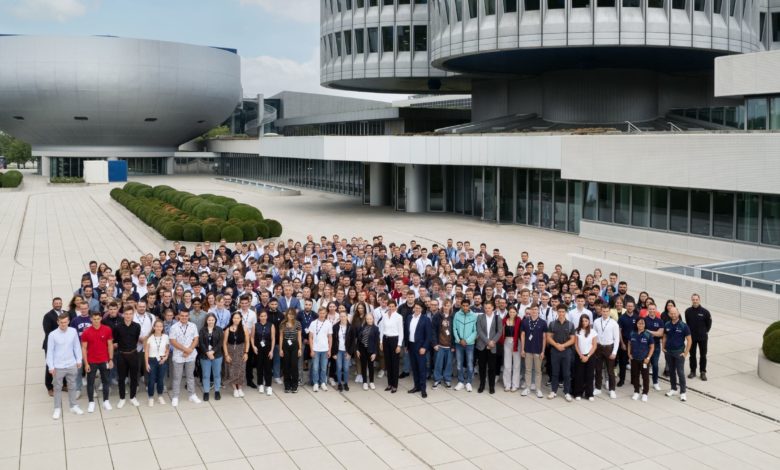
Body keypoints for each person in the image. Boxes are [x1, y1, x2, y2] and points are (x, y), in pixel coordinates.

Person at [46, 312, 84, 419]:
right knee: (57, 388)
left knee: (72, 386)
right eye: (61, 322)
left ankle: (73, 406)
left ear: (68, 322)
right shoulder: (52, 335)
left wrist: (78, 360)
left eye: (65, 322)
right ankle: (57, 408)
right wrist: (51, 366)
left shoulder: (73, 331)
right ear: (58, 322)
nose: (63, 324)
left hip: (71, 364)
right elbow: (50, 352)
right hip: (58, 366)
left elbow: (76, 346)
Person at [80, 310, 114, 413]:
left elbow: (110, 345)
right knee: (90, 382)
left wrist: (111, 359)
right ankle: (91, 402)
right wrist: (85, 364)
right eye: (94, 319)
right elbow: (84, 348)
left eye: (98, 319)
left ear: (101, 319)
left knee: (106, 381)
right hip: (91, 361)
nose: (96, 321)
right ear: (91, 319)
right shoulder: (86, 332)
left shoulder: (107, 329)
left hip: (104, 360)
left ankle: (106, 401)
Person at [169, 310, 201, 407]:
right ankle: (175, 397)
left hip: (190, 355)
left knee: (190, 376)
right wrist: (185, 350)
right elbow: (172, 341)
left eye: (186, 316)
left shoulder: (193, 326)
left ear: (188, 316)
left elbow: (196, 339)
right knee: (177, 377)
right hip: (179, 355)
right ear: (178, 316)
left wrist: (190, 350)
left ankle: (192, 395)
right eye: (182, 316)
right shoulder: (174, 327)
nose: (184, 317)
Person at [113, 306, 141, 408]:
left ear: (133, 315)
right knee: (121, 378)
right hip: (121, 355)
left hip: (133, 354)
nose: (128, 316)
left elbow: (136, 338)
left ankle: (133, 397)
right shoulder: (118, 327)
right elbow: (115, 340)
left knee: (133, 378)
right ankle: (122, 398)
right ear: (123, 314)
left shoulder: (137, 326)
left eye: (130, 314)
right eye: (126, 314)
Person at [42, 297, 72, 396]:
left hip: (64, 345)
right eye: (56, 303)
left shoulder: (66, 314)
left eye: (59, 303)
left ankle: (64, 384)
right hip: (52, 345)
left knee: (63, 364)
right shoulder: (48, 316)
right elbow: (47, 331)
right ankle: (49, 387)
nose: (58, 304)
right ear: (53, 304)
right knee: (50, 365)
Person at [663, 306, 692, 402]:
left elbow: (689, 340)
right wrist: (663, 347)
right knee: (671, 371)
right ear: (669, 314)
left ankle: (683, 392)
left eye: (675, 313)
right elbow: (665, 336)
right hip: (668, 352)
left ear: (678, 313)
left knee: (680, 372)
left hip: (679, 352)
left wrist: (685, 353)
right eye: (671, 313)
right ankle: (673, 388)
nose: (673, 315)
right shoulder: (667, 324)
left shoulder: (684, 326)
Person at [547, 305, 575, 401]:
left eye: (563, 312)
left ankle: (567, 392)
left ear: (565, 312)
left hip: (566, 351)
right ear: (557, 312)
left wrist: (563, 346)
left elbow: (573, 339)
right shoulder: (552, 324)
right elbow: (549, 337)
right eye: (559, 311)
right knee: (555, 372)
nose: (561, 313)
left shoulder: (570, 325)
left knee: (567, 373)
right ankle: (553, 391)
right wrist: (556, 345)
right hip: (555, 351)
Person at [404, 303, 433, 398]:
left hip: (420, 347)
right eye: (415, 307)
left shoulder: (426, 319)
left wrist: (424, 347)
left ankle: (423, 389)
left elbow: (428, 336)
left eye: (419, 308)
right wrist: (406, 345)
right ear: (413, 308)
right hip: (411, 346)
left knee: (421, 369)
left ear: (422, 309)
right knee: (414, 368)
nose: (417, 309)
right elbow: (406, 332)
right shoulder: (409, 317)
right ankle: (417, 386)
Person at [592, 304, 620, 399]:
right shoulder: (596, 321)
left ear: (609, 312)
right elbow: (594, 336)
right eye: (603, 311)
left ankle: (612, 390)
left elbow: (616, 339)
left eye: (606, 311)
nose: (605, 313)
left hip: (609, 348)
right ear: (601, 311)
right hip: (598, 347)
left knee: (610, 371)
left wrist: (614, 352)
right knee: (598, 369)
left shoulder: (613, 323)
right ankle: (598, 388)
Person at [520, 305, 547, 397]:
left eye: (536, 309)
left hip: (538, 350)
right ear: (530, 311)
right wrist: (522, 349)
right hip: (527, 349)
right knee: (528, 370)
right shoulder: (525, 321)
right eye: (532, 309)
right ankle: (527, 388)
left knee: (538, 371)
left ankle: (538, 389)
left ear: (538, 311)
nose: (534, 311)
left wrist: (543, 351)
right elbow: (522, 336)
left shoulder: (543, 323)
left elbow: (544, 338)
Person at [476, 301, 502, 394]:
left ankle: (491, 386)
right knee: (482, 367)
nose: (487, 309)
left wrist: (493, 342)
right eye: (486, 308)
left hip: (493, 346)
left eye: (489, 308)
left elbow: (499, 332)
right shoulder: (480, 317)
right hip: (482, 346)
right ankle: (482, 385)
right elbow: (479, 330)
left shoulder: (497, 318)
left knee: (492, 368)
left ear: (493, 308)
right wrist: (488, 342)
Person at [685, 294, 712, 381]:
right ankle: (693, 371)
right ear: (691, 300)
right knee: (692, 355)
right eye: (693, 299)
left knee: (703, 355)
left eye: (696, 299)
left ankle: (702, 372)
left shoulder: (705, 312)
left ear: (699, 300)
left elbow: (709, 324)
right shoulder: (688, 311)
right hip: (692, 338)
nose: (695, 301)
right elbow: (687, 323)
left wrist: (705, 331)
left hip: (702, 338)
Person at [197, 313, 224, 401]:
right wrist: (207, 352)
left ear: (215, 320)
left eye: (212, 320)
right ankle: (206, 392)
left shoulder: (219, 330)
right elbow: (201, 343)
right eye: (209, 320)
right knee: (205, 375)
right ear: (206, 321)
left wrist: (213, 351)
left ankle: (217, 391)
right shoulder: (202, 330)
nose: (211, 321)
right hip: (205, 356)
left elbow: (220, 343)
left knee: (216, 374)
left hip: (217, 355)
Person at [223, 312, 250, 398]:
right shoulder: (227, 329)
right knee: (232, 371)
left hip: (241, 351)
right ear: (232, 319)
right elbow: (224, 343)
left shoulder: (244, 328)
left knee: (241, 370)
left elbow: (247, 342)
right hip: (231, 352)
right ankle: (235, 389)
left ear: (241, 318)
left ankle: (240, 388)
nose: (236, 320)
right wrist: (226, 355)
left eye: (238, 318)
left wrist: (246, 352)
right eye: (234, 318)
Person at [453, 299, 477, 392]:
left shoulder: (474, 316)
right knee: (459, 364)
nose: (465, 307)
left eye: (467, 305)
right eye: (463, 305)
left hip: (469, 344)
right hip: (459, 344)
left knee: (470, 364)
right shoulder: (457, 315)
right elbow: (454, 328)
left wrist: (467, 340)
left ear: (469, 306)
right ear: (461, 306)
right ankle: (461, 381)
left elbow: (475, 331)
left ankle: (469, 382)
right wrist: (459, 340)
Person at [380, 300, 404, 393]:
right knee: (388, 363)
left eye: (392, 306)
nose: (391, 308)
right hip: (386, 339)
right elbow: (382, 329)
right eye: (389, 306)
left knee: (394, 364)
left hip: (394, 340)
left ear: (395, 307)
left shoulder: (399, 317)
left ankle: (395, 385)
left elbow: (401, 331)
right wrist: (381, 342)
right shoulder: (385, 315)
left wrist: (399, 345)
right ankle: (389, 384)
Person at [145, 318, 170, 406]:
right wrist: (146, 363)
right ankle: (150, 397)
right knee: (151, 380)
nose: (159, 328)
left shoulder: (166, 337)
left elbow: (167, 349)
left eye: (161, 326)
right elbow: (147, 352)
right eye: (157, 326)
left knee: (160, 379)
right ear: (154, 327)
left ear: (163, 327)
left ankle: (160, 396)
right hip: (152, 360)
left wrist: (166, 357)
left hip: (162, 360)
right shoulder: (150, 338)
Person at [308, 307, 333, 392]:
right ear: (318, 313)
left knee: (323, 368)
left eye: (324, 313)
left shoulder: (328, 323)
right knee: (315, 367)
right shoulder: (313, 323)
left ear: (326, 314)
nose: (322, 315)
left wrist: (329, 350)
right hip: (315, 349)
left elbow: (330, 338)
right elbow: (310, 337)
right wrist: (311, 350)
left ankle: (322, 382)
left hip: (325, 349)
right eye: (321, 313)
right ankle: (315, 383)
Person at [629, 318, 654, 402]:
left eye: (642, 323)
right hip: (634, 359)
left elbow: (652, 347)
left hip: (644, 360)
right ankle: (636, 391)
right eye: (639, 323)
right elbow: (629, 344)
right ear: (636, 324)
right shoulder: (632, 333)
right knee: (635, 375)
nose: (640, 325)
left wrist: (648, 358)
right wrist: (629, 354)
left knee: (645, 377)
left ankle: (645, 393)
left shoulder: (648, 334)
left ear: (645, 325)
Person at [573, 314, 597, 401]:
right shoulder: (577, 331)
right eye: (582, 321)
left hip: (590, 356)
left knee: (590, 375)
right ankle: (578, 393)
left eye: (586, 321)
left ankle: (589, 394)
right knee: (579, 375)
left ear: (589, 321)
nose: (584, 323)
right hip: (580, 355)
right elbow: (576, 345)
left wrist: (588, 356)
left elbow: (594, 346)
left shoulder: (593, 332)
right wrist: (581, 355)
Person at [252, 310, 276, 395]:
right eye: (261, 316)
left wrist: (272, 351)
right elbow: (252, 337)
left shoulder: (271, 325)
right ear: (259, 317)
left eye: (264, 316)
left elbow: (273, 339)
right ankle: (260, 384)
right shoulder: (255, 325)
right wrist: (253, 346)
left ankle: (268, 385)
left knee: (268, 368)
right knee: (259, 367)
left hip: (268, 349)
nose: (263, 317)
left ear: (267, 316)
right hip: (258, 349)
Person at [279, 308, 303, 393]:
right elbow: (281, 336)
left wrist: (300, 348)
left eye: (292, 314)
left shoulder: (298, 323)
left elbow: (299, 336)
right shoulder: (283, 323)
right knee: (286, 366)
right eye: (289, 314)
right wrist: (280, 349)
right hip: (285, 345)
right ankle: (287, 385)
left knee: (294, 365)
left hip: (294, 345)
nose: (291, 315)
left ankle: (294, 385)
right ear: (287, 314)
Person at [431, 301, 454, 389]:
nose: (446, 307)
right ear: (442, 306)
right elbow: (433, 330)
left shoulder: (453, 316)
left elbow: (455, 331)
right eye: (445, 305)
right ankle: (437, 379)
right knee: (438, 363)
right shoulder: (437, 316)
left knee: (448, 364)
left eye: (448, 305)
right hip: (439, 345)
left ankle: (447, 379)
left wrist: (453, 346)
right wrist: (435, 343)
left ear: (451, 306)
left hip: (449, 345)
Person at [617, 301, 640, 387]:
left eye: (631, 306)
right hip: (625, 342)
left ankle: (634, 381)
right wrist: (622, 343)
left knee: (634, 363)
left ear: (634, 307)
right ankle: (621, 380)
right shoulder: (622, 318)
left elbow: (639, 330)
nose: (630, 308)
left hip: (634, 343)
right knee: (622, 363)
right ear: (626, 307)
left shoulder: (637, 317)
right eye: (628, 306)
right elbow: (619, 331)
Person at [643, 302, 664, 391]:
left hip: (656, 346)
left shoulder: (660, 321)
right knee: (645, 365)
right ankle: (645, 383)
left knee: (655, 365)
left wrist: (649, 331)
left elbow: (660, 334)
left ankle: (655, 382)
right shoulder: (643, 320)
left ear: (656, 310)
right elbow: (642, 332)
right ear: (648, 309)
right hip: (645, 346)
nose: (652, 310)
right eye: (650, 309)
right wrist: (654, 332)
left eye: (653, 309)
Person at [332, 310, 355, 392]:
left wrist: (350, 353)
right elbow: (333, 341)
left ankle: (345, 383)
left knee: (346, 368)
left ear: (347, 317)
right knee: (339, 368)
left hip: (346, 351)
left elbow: (353, 341)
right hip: (338, 351)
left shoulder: (351, 327)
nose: (342, 318)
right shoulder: (335, 327)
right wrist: (333, 353)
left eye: (344, 316)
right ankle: (339, 384)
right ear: (339, 317)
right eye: (341, 316)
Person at [357, 312, 380, 391]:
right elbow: (358, 340)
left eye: (370, 319)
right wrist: (357, 349)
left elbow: (376, 342)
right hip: (362, 349)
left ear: (373, 319)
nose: (369, 320)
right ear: (365, 320)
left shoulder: (376, 329)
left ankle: (371, 382)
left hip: (371, 350)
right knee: (363, 366)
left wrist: (375, 353)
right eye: (367, 319)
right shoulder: (362, 327)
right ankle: (365, 382)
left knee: (371, 366)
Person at [501, 306, 522, 392]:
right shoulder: (504, 321)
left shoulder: (519, 320)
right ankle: (507, 384)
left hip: (517, 342)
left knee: (516, 364)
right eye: (510, 312)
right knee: (507, 364)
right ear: (508, 312)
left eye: (514, 312)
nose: (512, 313)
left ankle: (515, 384)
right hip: (507, 341)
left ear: (516, 312)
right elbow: (501, 332)